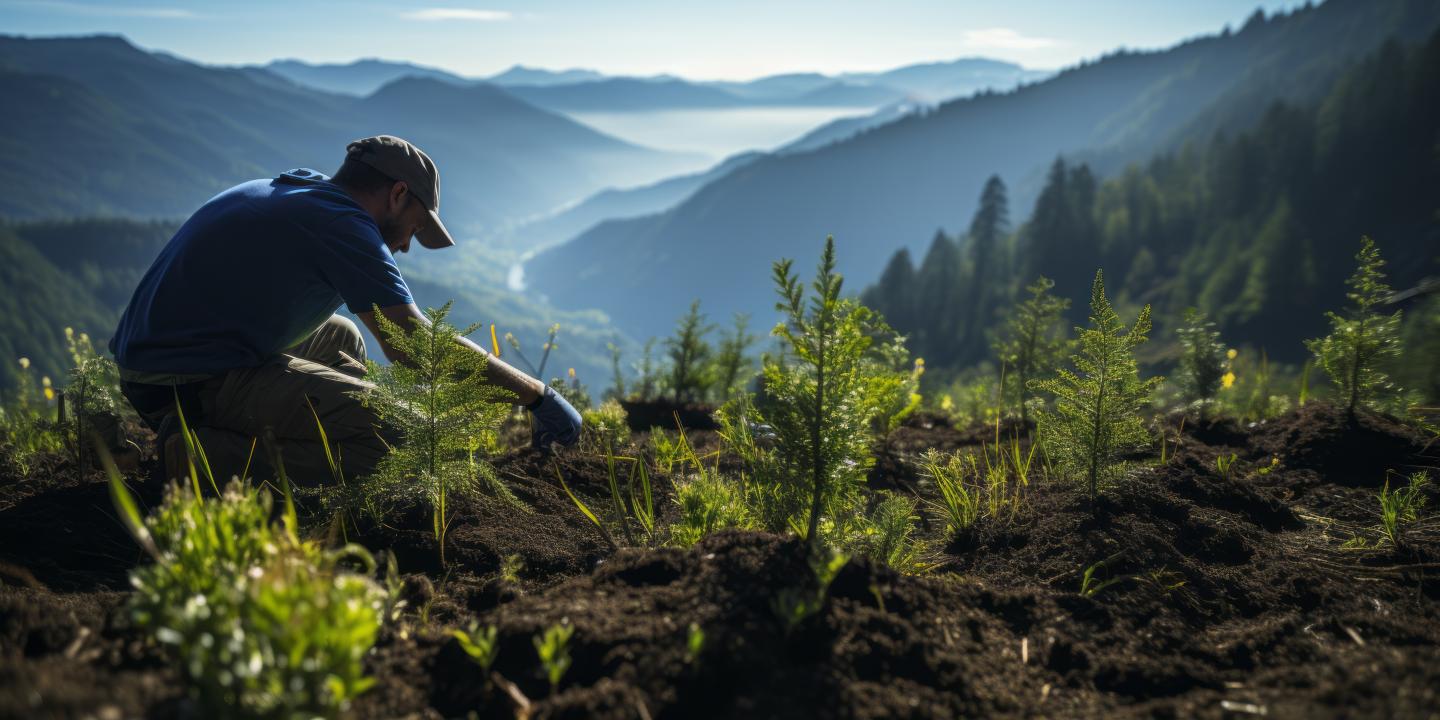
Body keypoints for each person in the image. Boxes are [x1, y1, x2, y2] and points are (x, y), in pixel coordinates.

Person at [109, 135, 582, 483]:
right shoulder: (342, 226)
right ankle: (203, 458)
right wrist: (538, 397)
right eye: (415, 228)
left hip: (160, 363)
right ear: (398, 194)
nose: (406, 246)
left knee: (343, 336)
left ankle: (321, 429)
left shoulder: (302, 193)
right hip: (183, 383)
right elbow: (412, 345)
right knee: (411, 442)